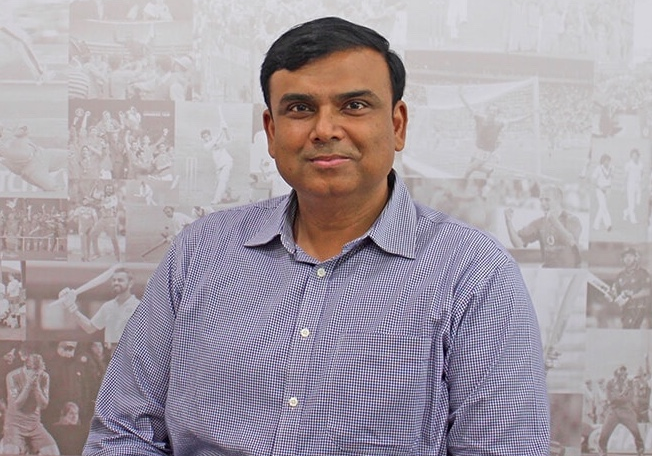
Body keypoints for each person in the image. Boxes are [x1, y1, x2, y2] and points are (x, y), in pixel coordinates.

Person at [83, 17, 550, 455]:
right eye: (300, 109)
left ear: (397, 125)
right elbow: (124, 432)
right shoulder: (200, 251)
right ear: (271, 131)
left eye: (354, 106)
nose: (325, 129)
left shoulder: (475, 274)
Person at [504, 184, 582, 268]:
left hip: (569, 270)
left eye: (547, 200)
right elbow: (518, 243)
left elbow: (571, 242)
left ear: (558, 200)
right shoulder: (540, 223)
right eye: (541, 200)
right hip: (548, 271)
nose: (543, 203)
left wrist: (554, 221)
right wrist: (508, 221)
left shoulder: (572, 220)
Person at [58, 268, 139, 345]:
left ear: (130, 283)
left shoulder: (139, 307)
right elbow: (90, 328)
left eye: (120, 280)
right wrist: (71, 306)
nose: (116, 283)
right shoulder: (108, 307)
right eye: (114, 280)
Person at [3, 346, 60, 455]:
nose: (37, 376)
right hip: (14, 425)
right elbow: (17, 404)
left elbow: (44, 405)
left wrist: (37, 387)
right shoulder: (12, 376)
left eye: (38, 373)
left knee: (53, 452)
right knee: (10, 453)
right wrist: (28, 385)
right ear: (26, 369)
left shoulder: (44, 377)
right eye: (34, 373)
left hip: (34, 424)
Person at [597, 365, 645, 456]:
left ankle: (640, 449)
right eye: (619, 374)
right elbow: (610, 398)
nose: (622, 376)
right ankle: (602, 450)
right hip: (613, 411)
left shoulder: (629, 383)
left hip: (626, 411)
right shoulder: (610, 383)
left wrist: (618, 397)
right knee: (605, 432)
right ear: (616, 374)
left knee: (635, 431)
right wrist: (621, 397)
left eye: (624, 374)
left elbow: (629, 398)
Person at [609, 247, 651, 329]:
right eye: (625, 256)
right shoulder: (620, 275)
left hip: (640, 308)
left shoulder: (642, 273)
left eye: (630, 256)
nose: (628, 258)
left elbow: (647, 291)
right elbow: (615, 292)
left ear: (636, 258)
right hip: (625, 310)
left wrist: (632, 296)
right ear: (622, 259)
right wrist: (611, 295)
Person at [592, 153, 613, 232]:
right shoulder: (598, 168)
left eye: (608, 161)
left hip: (608, 190)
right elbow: (593, 180)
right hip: (600, 190)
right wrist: (600, 187)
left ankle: (595, 225)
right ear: (602, 161)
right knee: (604, 207)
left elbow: (611, 178)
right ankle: (608, 225)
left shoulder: (611, 168)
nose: (607, 162)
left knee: (602, 208)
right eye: (605, 161)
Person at [623, 148, 643, 224]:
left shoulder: (641, 164)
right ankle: (633, 219)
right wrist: (624, 186)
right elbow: (625, 176)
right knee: (631, 203)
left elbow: (642, 173)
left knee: (637, 202)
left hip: (638, 185)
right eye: (633, 155)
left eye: (636, 155)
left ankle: (626, 212)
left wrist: (641, 182)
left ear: (638, 156)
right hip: (630, 185)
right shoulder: (628, 164)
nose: (635, 157)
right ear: (631, 156)